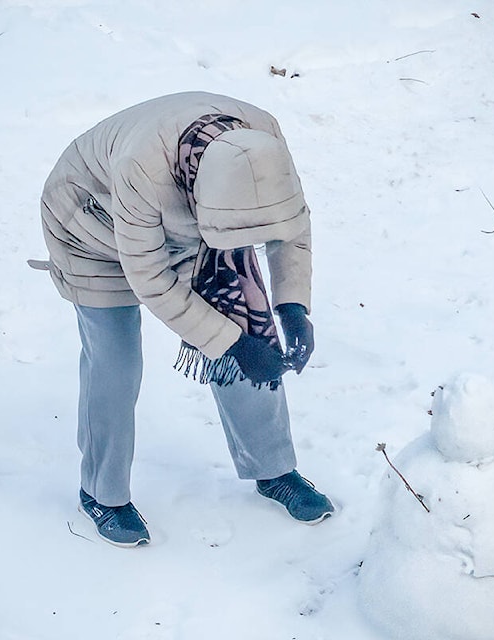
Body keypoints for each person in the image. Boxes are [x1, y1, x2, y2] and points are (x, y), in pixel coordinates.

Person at [39, 91, 333, 547]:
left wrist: (292, 307)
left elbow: (289, 225)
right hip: (88, 223)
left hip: (185, 226)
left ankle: (273, 471)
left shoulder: (264, 140)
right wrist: (232, 345)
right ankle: (103, 494)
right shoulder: (142, 168)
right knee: (116, 363)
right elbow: (150, 278)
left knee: (245, 316)